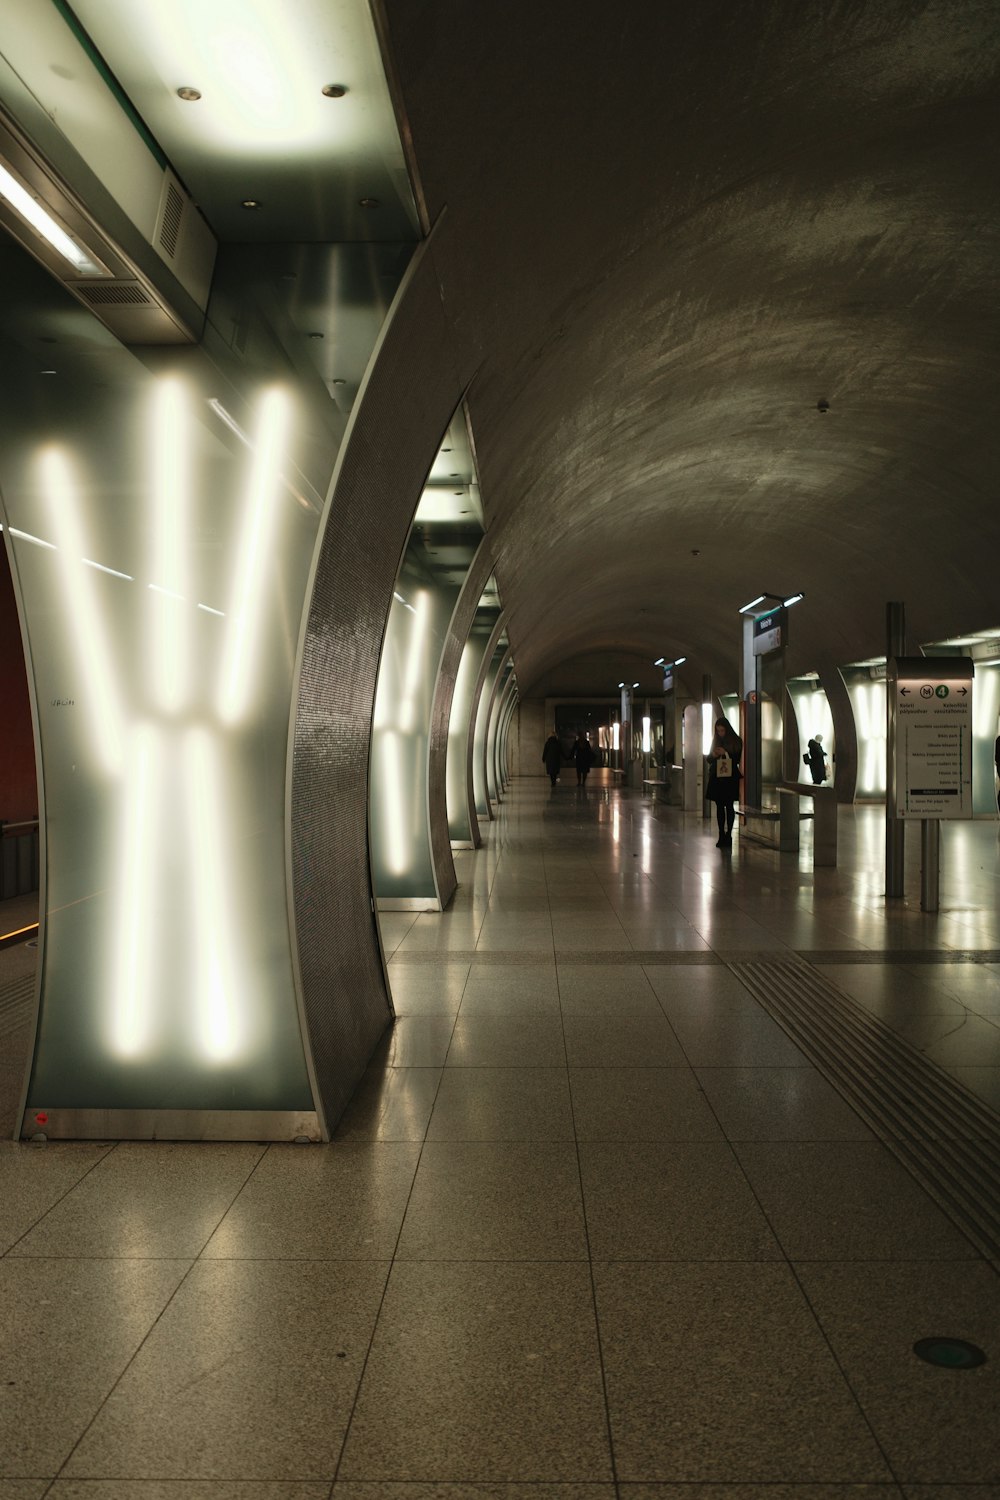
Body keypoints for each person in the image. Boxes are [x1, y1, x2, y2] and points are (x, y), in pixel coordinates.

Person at [706, 716, 742, 847]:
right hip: (717, 776)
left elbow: (737, 758)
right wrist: (714, 755)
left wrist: (726, 752)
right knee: (720, 806)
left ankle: (729, 834)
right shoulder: (716, 741)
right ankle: (721, 833)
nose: (720, 733)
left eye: (722, 730)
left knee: (729, 805)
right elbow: (709, 759)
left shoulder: (736, 741)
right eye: (718, 731)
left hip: (729, 777)